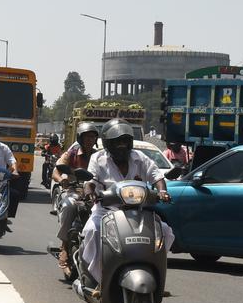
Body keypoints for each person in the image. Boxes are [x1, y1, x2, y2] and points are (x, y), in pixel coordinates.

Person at [80, 120, 173, 288]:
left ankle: (154, 273)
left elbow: (157, 176)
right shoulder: (98, 158)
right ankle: (99, 277)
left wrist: (162, 191)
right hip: (106, 211)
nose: (122, 145)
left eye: (125, 141)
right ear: (108, 143)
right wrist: (90, 193)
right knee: (91, 230)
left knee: (165, 231)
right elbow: (90, 180)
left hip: (137, 211)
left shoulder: (140, 158)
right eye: (117, 142)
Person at [52, 122, 100, 273]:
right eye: (87, 137)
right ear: (80, 138)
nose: (90, 140)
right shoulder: (71, 154)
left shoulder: (99, 155)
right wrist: (62, 180)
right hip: (75, 190)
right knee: (69, 206)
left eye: (92, 137)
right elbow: (57, 170)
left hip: (93, 193)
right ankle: (64, 246)